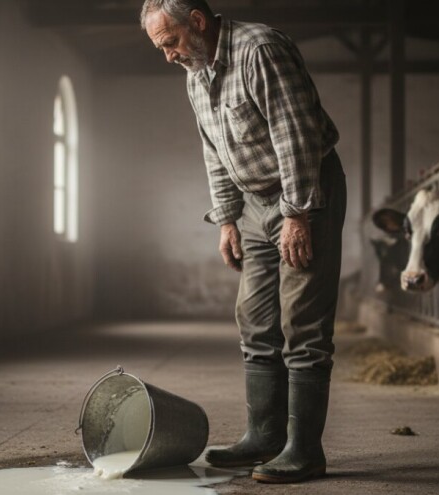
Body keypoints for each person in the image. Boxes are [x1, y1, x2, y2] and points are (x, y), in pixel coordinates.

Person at [140, 0, 347, 484]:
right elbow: (214, 151)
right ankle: (264, 436)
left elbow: (295, 136)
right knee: (255, 319)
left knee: (304, 324)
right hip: (252, 203)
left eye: (169, 42)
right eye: (160, 48)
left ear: (197, 20)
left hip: (303, 192)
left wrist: (298, 214)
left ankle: (304, 451)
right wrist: (228, 219)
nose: (168, 55)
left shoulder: (260, 50)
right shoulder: (196, 73)